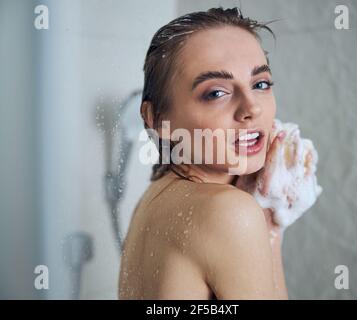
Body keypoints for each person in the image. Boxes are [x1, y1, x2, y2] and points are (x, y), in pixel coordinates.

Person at [119, 7, 288, 300]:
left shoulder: (156, 196)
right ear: (158, 119)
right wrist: (265, 229)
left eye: (260, 84)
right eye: (216, 93)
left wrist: (269, 223)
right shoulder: (229, 212)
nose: (252, 108)